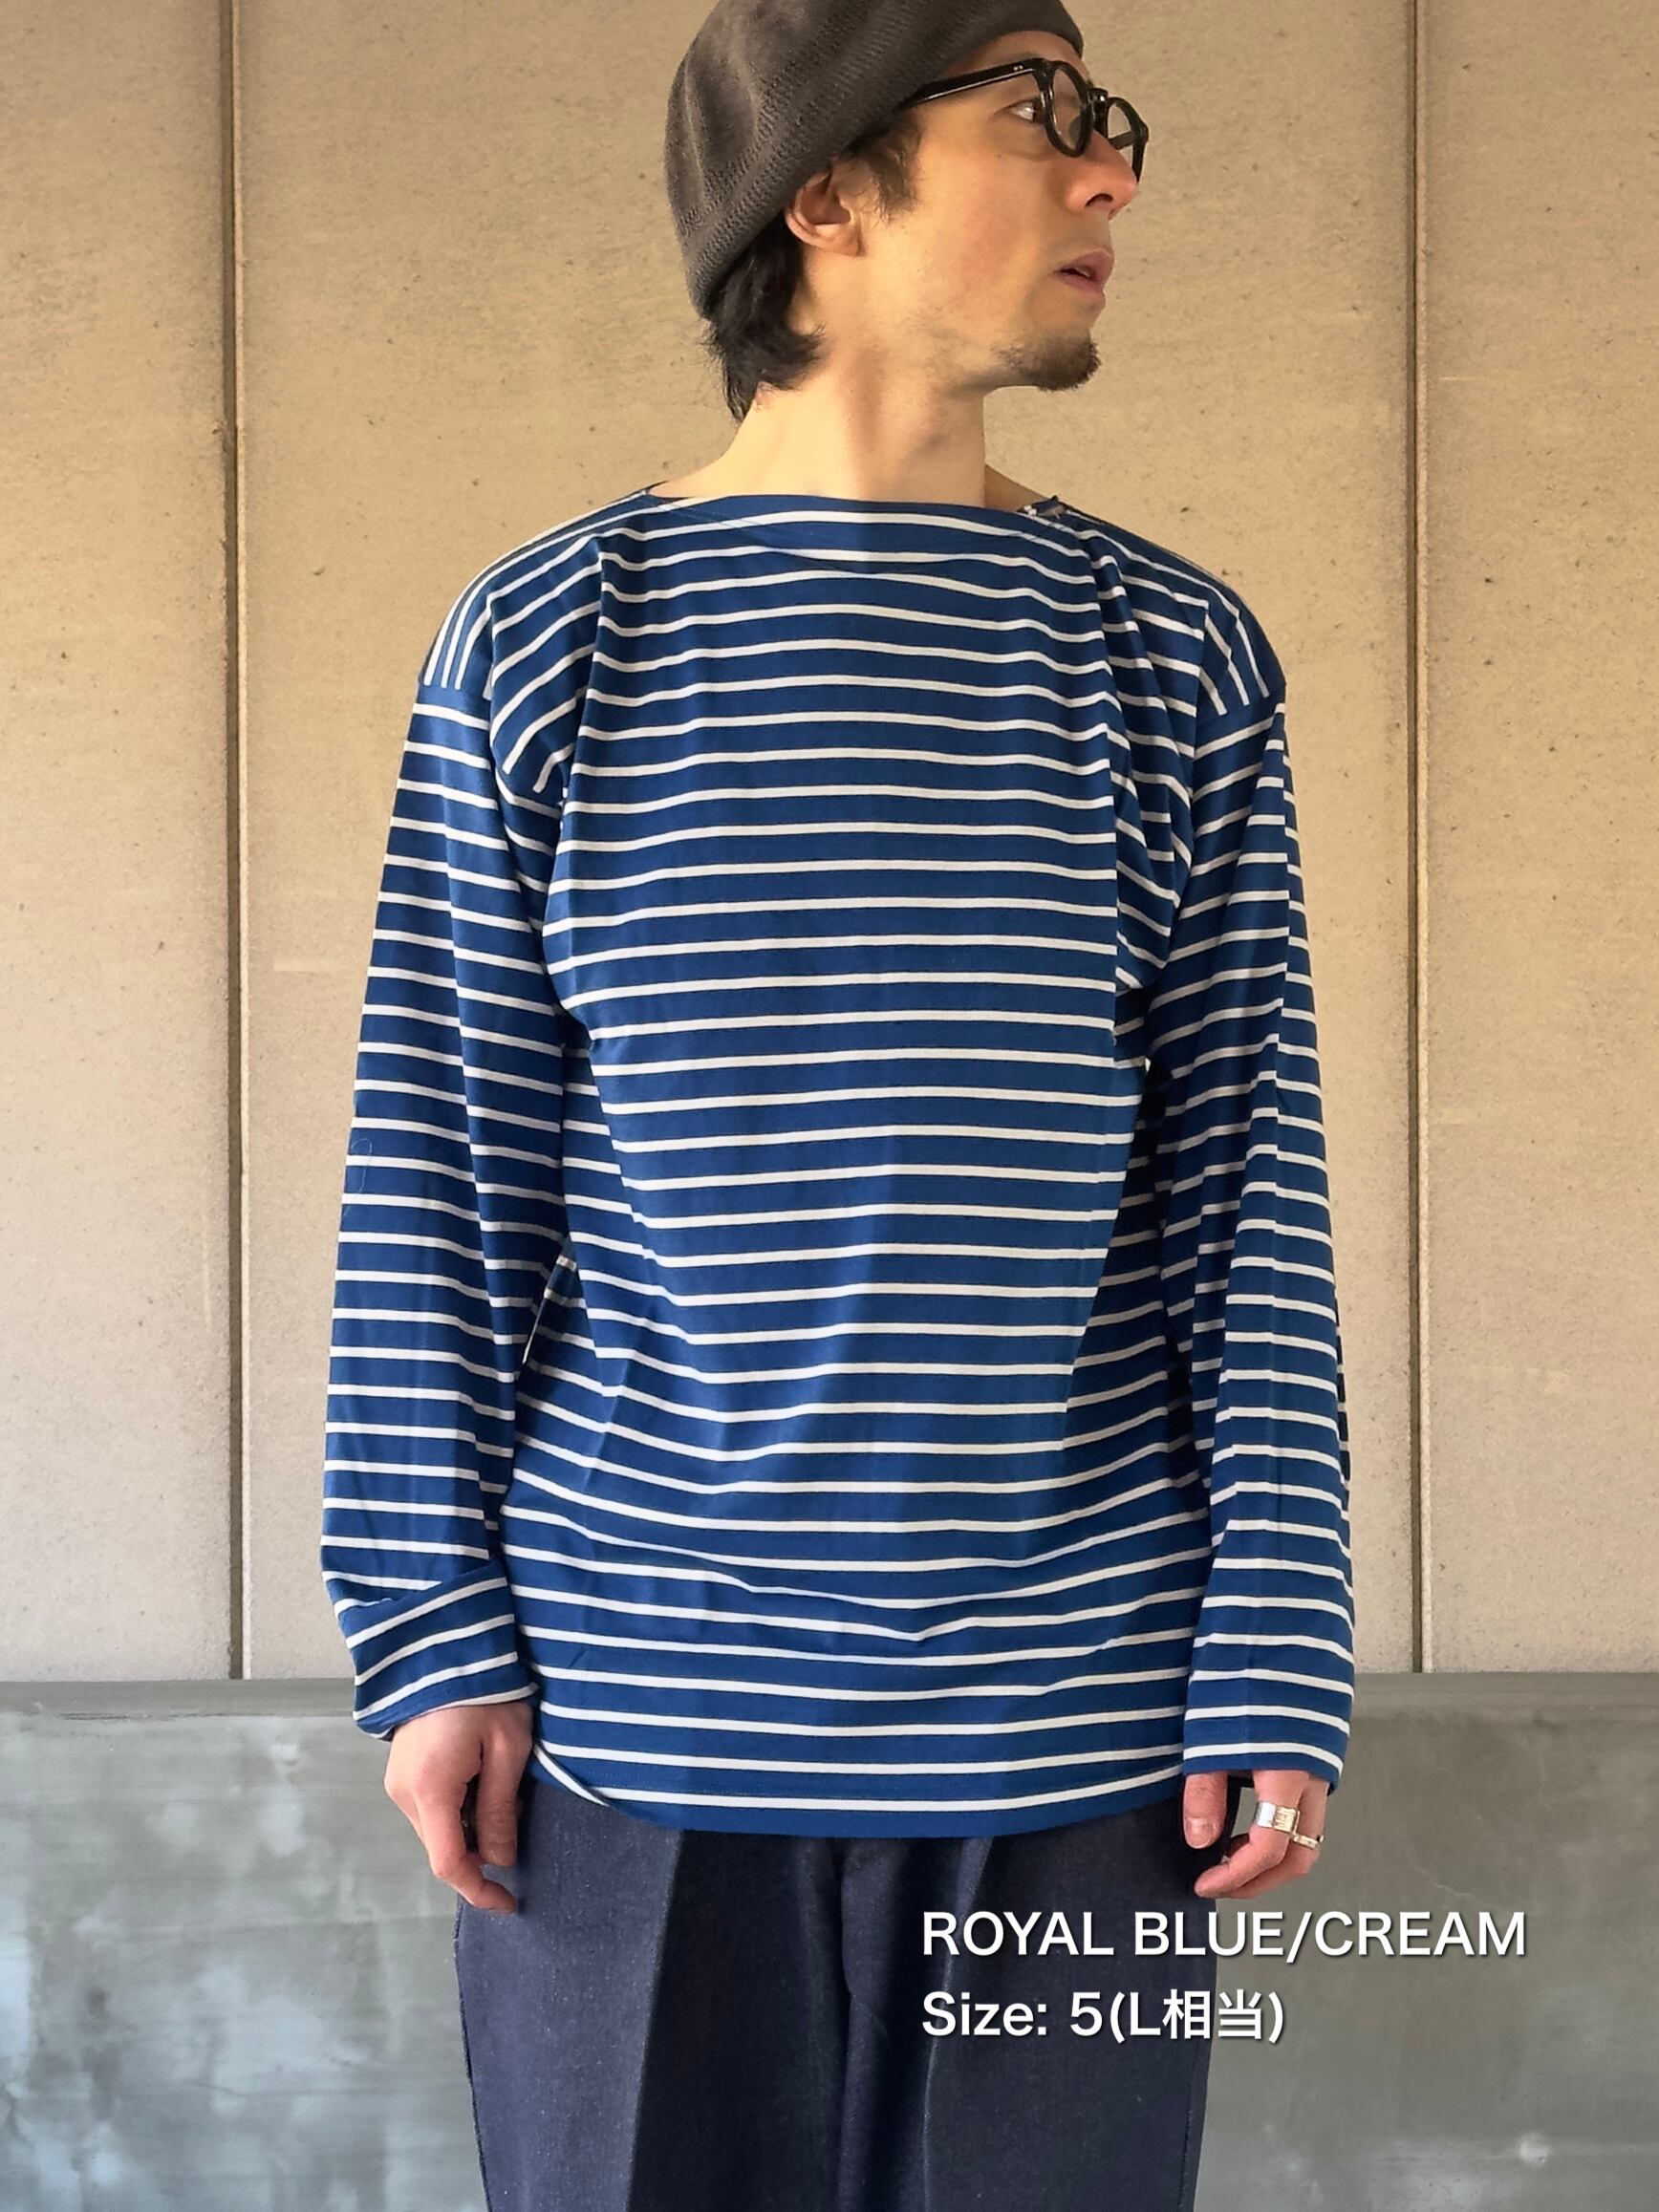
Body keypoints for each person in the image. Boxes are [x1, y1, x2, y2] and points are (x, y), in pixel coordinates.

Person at [319, 4, 1355, 2205]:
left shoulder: (1168, 657)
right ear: (821, 191)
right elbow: (438, 1182)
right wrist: (427, 1636)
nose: (1110, 174)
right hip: (628, 1734)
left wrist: (1277, 1641)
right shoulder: (552, 641)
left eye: (1107, 125)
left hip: (1082, 1744)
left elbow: (1243, 1195)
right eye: (1043, 116)